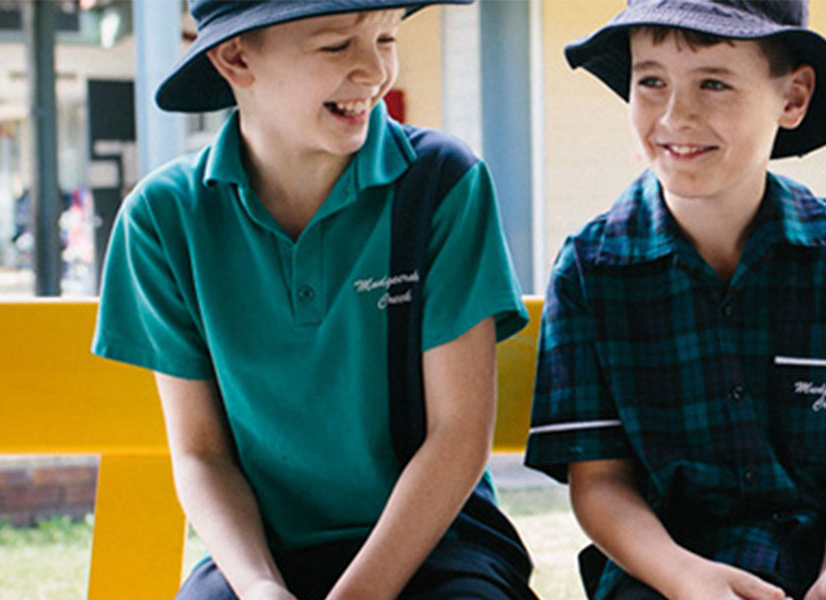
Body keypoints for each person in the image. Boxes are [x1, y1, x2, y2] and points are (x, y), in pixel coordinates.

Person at [91, 1, 535, 598]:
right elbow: (200, 454)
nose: (374, 71)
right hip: (261, 554)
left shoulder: (441, 184)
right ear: (236, 55)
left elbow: (458, 434)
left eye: (386, 38)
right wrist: (256, 586)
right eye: (335, 45)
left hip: (436, 546)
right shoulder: (164, 220)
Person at [524, 2, 826, 599]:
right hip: (668, 555)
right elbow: (599, 484)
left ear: (793, 97)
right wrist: (684, 577)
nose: (676, 114)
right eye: (651, 81)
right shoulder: (589, 271)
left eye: (713, 83)